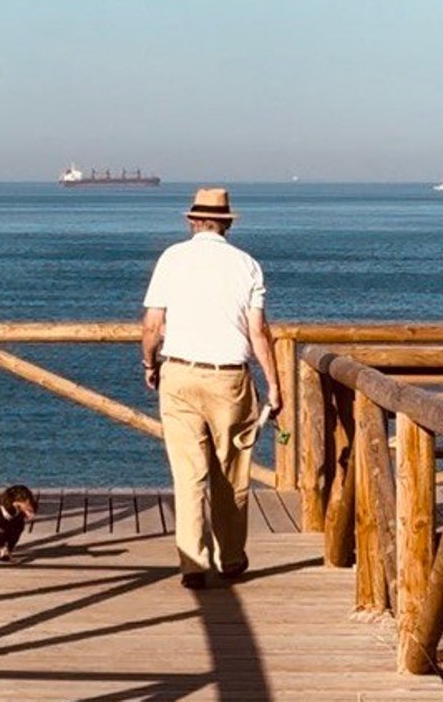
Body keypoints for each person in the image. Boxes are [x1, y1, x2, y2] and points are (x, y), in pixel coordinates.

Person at [141, 187, 282, 589]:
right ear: (227, 223)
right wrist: (274, 384)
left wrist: (150, 363)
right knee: (232, 473)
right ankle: (232, 557)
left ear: (191, 221)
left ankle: (192, 563)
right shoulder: (247, 266)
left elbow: (152, 325)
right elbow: (258, 331)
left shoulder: (171, 259)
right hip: (230, 378)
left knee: (188, 476)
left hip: (180, 373)